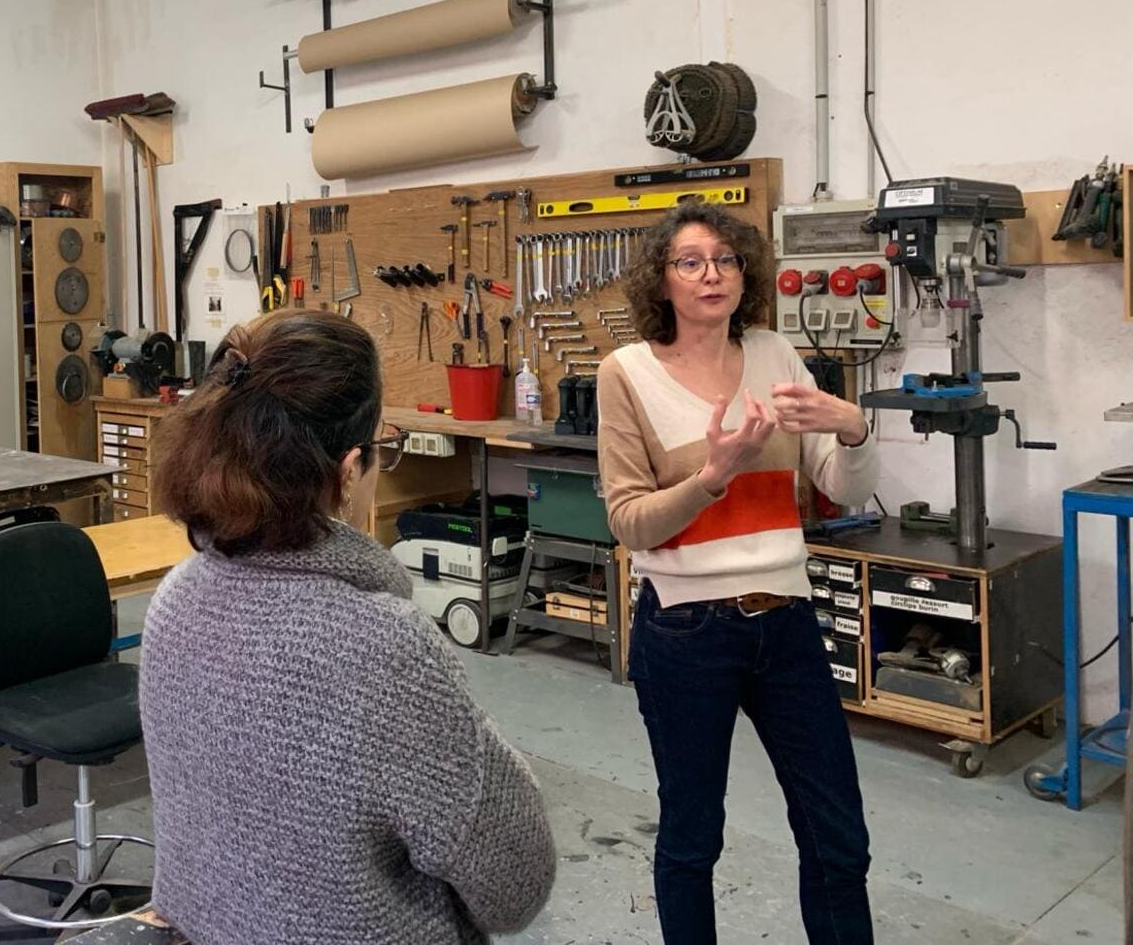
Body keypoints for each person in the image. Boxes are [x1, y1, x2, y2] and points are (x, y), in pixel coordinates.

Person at [140, 310, 556, 945]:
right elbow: (515, 885)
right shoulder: (379, 646)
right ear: (346, 469)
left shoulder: (177, 597)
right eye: (380, 455)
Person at [597, 201, 878, 945]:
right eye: (689, 261)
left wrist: (852, 426)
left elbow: (841, 487)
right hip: (687, 629)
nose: (710, 274)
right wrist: (712, 477)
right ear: (660, 281)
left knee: (839, 837)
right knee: (692, 841)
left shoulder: (775, 354)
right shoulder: (626, 373)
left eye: (724, 258)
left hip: (785, 619)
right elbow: (627, 522)